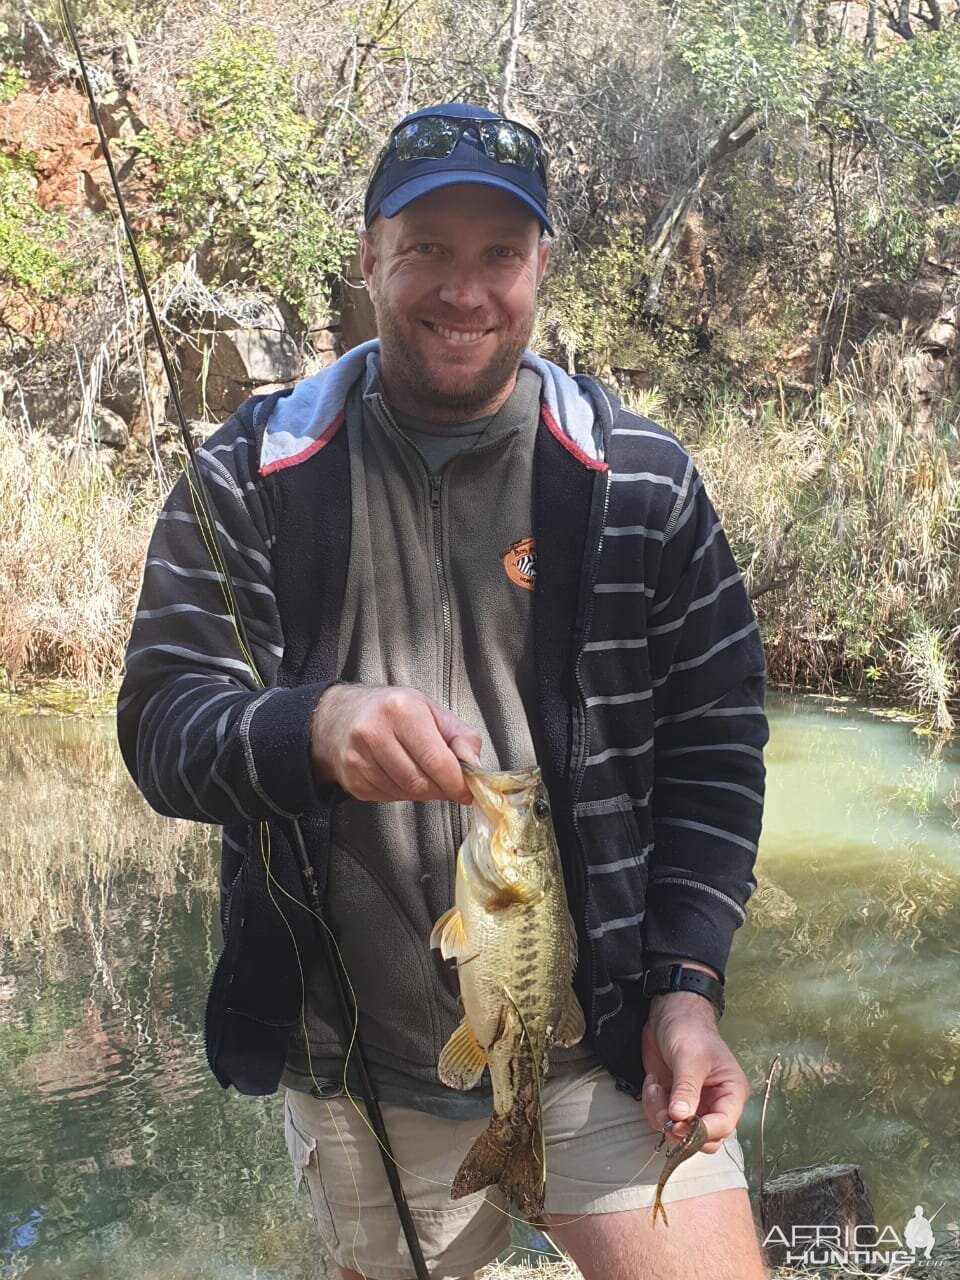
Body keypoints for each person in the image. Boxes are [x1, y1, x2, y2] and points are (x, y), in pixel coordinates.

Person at [118, 102, 769, 1280]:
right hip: (355, 1065)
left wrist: (686, 984)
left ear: (540, 270)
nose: (463, 291)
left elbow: (717, 748)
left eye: (499, 256)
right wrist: (305, 727)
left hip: (604, 1051)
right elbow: (162, 724)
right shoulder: (250, 477)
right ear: (368, 255)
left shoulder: (644, 485)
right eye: (426, 249)